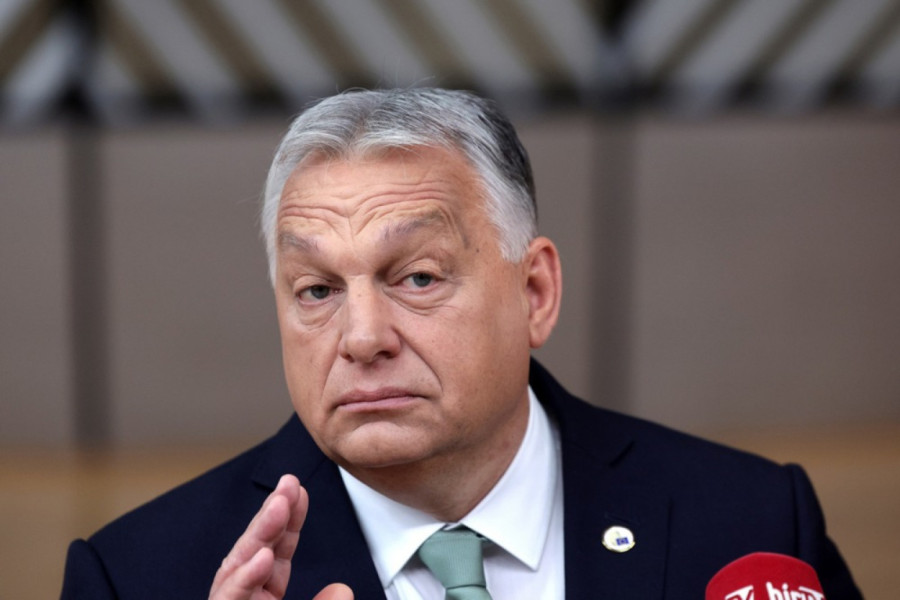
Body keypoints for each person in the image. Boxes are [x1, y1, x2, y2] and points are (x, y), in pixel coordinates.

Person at [61, 88, 862, 600]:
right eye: (317, 290)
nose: (362, 338)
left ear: (535, 292)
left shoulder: (748, 526)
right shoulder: (139, 578)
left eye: (417, 278)